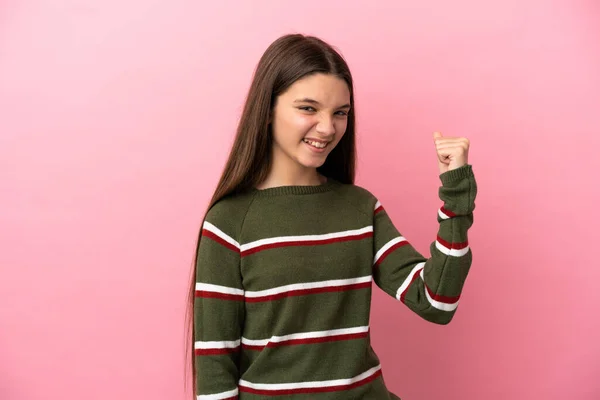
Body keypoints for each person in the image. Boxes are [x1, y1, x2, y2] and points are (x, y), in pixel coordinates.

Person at [185, 33, 477, 400]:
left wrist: (456, 195)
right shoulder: (228, 222)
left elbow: (436, 301)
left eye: (340, 112)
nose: (327, 127)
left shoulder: (359, 209)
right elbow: (214, 368)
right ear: (268, 108)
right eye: (308, 108)